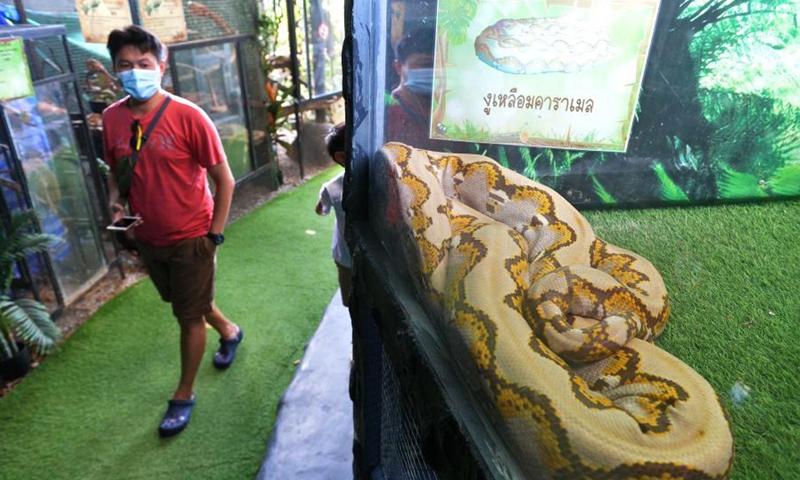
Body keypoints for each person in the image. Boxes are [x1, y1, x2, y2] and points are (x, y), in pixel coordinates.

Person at [102, 25, 242, 437]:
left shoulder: (188, 116)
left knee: (188, 317)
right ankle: (231, 330)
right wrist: (115, 199)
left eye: (143, 64)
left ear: (160, 66)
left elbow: (225, 180)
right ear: (115, 70)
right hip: (148, 238)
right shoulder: (112, 119)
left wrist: (213, 236)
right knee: (185, 303)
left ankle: (183, 395)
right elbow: (117, 168)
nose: (134, 71)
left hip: (191, 237)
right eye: (124, 65)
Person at [315, 123, 351, 306]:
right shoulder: (333, 188)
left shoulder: (330, 189)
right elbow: (321, 206)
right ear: (342, 157)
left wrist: (322, 207)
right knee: (352, 300)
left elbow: (321, 209)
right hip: (346, 258)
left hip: (347, 256)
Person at [386, 27, 437, 150]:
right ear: (399, 67)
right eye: (426, 65)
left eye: (439, 65)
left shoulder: (451, 110)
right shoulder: (386, 112)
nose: (435, 72)